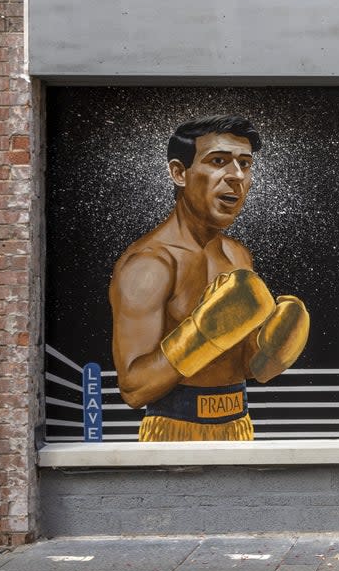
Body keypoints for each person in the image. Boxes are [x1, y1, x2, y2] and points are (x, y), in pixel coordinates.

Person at [109, 114, 310, 442]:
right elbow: (133, 388)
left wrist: (272, 352)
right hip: (172, 431)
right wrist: (201, 334)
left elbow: (242, 366)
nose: (236, 176)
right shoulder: (150, 264)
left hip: (239, 425)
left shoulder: (238, 257)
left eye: (245, 164)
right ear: (179, 173)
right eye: (219, 161)